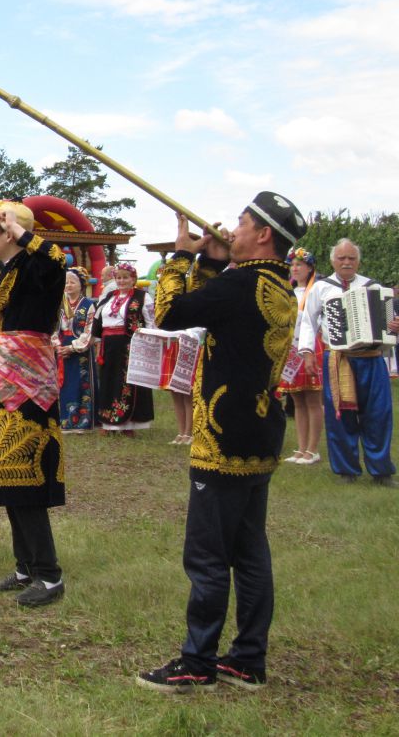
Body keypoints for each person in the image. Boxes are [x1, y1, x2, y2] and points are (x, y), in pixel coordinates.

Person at [137, 196, 306, 694]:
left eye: (241, 223)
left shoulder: (242, 283)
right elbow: (220, 314)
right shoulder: (278, 287)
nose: (232, 228)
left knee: (208, 553)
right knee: (250, 551)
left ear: (263, 236)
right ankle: (248, 660)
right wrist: (211, 259)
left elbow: (168, 313)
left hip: (223, 434)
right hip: (261, 433)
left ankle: (197, 661)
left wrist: (180, 257)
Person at [0, 202, 68, 607]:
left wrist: (22, 231)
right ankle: (25, 565)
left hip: (29, 382)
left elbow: (59, 261)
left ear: (10, 233)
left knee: (25, 466)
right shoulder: (7, 271)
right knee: (4, 471)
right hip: (5, 372)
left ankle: (48, 574)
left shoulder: (36, 266)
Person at [296, 239, 395, 486]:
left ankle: (381, 471)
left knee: (379, 414)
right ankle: (346, 470)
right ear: (333, 261)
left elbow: (390, 320)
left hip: (372, 358)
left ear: (358, 261)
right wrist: (307, 351)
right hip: (338, 358)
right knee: (341, 415)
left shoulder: (373, 287)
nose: (347, 262)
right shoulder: (321, 288)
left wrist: (394, 326)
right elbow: (309, 321)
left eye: (351, 258)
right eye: (342, 258)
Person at [93, 262, 154, 434]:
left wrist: (150, 343)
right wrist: (97, 341)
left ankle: (128, 424)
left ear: (133, 278)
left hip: (130, 344)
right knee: (108, 381)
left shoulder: (142, 297)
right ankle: (108, 422)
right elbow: (98, 320)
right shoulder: (108, 297)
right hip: (108, 345)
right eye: (118, 277)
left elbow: (151, 322)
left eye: (125, 277)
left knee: (127, 382)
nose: (121, 281)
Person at [278, 247, 324, 466]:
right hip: (291, 349)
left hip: (312, 348)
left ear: (310, 268)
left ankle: (313, 449)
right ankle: (301, 447)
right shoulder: (287, 291)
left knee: (313, 399)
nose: (295, 268)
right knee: (297, 399)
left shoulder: (317, 291)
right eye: (292, 265)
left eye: (300, 265)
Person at [53, 267, 97, 431]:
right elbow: (54, 328)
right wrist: (57, 345)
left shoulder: (89, 305)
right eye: (66, 282)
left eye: (73, 282)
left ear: (82, 285)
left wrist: (72, 347)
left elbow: (90, 331)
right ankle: (65, 421)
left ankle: (82, 422)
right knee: (64, 385)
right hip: (62, 347)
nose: (68, 285)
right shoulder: (60, 304)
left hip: (80, 350)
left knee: (80, 385)